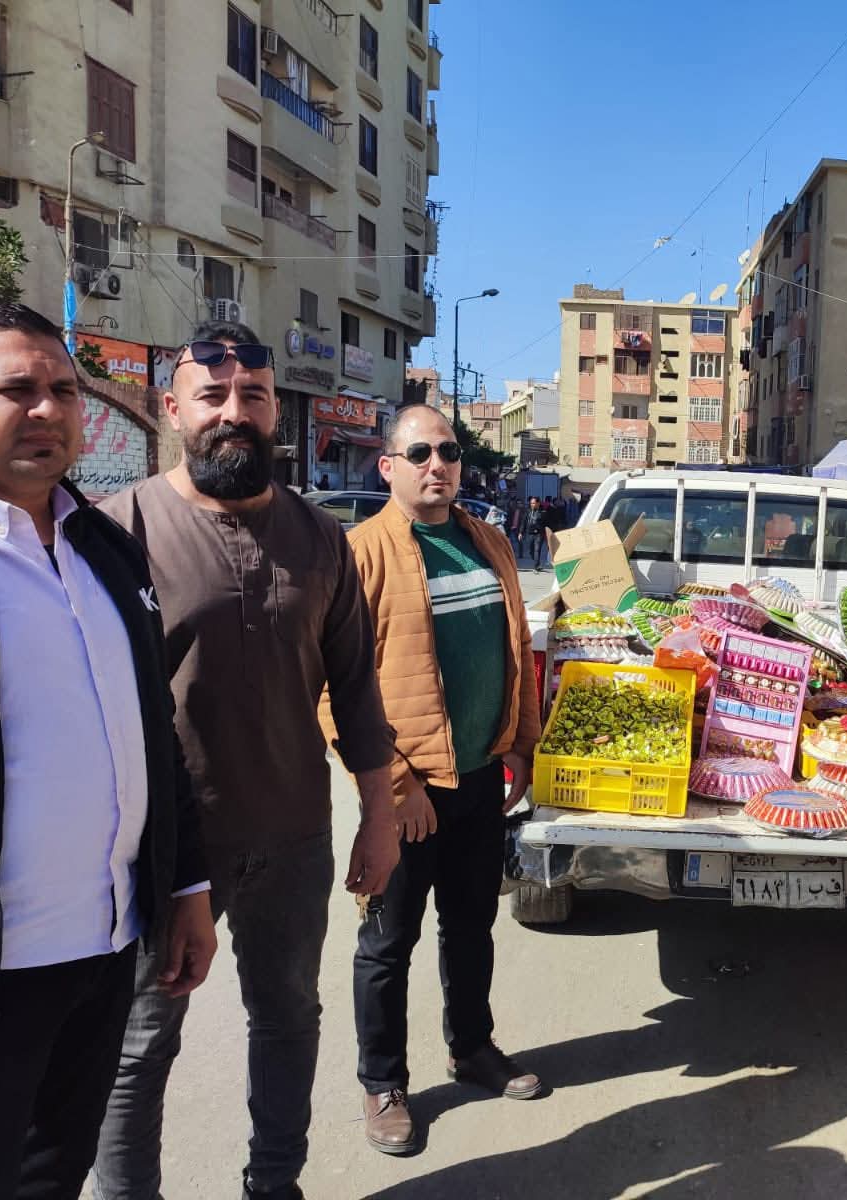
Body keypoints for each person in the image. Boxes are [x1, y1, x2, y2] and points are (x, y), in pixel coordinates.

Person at [0, 302, 215, 1199]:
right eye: (16, 389)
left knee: (55, 1178)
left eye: (65, 390)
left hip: (104, 956)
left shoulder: (105, 550)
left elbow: (151, 732)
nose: (48, 410)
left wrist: (185, 887)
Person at [91, 321, 401, 1200]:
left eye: (254, 397)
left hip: (293, 834)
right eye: (213, 396)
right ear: (173, 409)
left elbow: (357, 689)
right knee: (140, 1043)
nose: (235, 412)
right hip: (160, 847)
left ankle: (275, 1184)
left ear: (274, 413)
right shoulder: (116, 533)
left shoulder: (320, 536)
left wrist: (378, 818)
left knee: (288, 1016)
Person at [321, 404, 545, 1156]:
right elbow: (329, 687)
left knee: (472, 925)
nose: (437, 465)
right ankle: (383, 1082)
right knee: (388, 943)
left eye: (447, 451)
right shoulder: (361, 553)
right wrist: (395, 786)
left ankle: (471, 1047)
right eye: (418, 453)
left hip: (481, 777)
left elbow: (516, 648)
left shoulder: (487, 541)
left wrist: (521, 744)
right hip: (409, 794)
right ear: (387, 466)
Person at [523, 495, 547, 570]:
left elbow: (546, 523)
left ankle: (536, 566)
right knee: (530, 550)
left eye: (533, 503)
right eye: (531, 503)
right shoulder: (528, 511)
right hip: (529, 533)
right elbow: (523, 522)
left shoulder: (543, 512)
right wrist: (520, 532)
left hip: (539, 534)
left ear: (538, 503)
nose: (532, 505)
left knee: (537, 549)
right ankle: (537, 562)